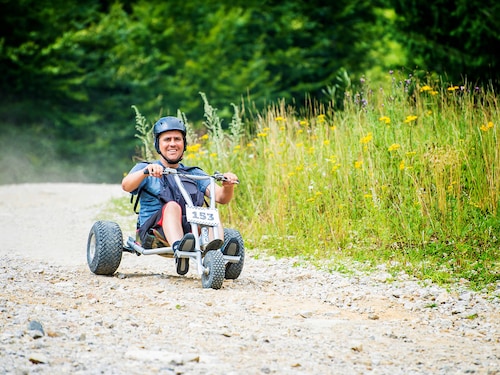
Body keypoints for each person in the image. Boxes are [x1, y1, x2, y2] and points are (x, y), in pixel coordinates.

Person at [121, 116, 239, 275]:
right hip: (154, 233)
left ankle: (214, 253)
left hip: (189, 231)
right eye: (167, 139)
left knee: (209, 212)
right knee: (172, 206)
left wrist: (228, 185)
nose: (172, 143)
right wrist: (145, 172)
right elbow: (126, 185)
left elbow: (220, 198)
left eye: (177, 139)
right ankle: (180, 249)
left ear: (184, 144)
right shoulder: (147, 168)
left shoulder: (193, 173)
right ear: (158, 144)